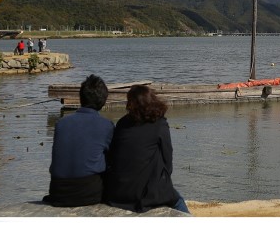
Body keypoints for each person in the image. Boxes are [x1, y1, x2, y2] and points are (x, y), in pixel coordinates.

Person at [104, 85, 189, 214]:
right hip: (145, 195)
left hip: (118, 191)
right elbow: (168, 159)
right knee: (179, 202)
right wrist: (164, 183)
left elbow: (114, 155)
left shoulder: (122, 123)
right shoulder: (160, 124)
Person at [43, 75, 114, 207]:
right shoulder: (106, 125)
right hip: (88, 192)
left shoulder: (61, 123)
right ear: (104, 101)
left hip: (57, 191)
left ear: (81, 98)